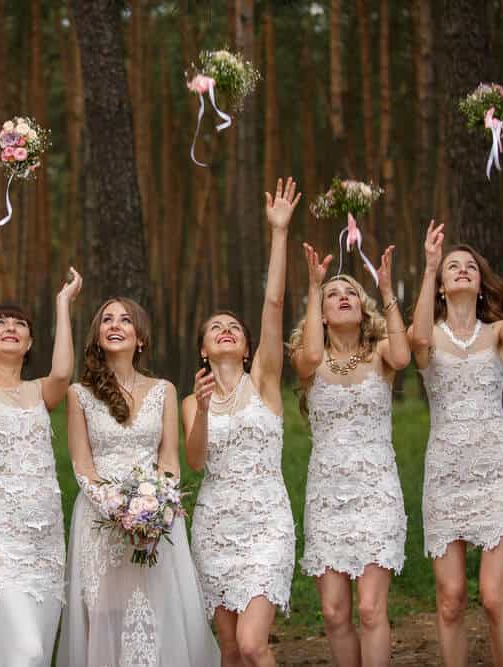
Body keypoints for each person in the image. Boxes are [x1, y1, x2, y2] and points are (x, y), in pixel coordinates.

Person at [58, 297, 220, 667]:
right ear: (97, 336)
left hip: (156, 520)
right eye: (107, 320)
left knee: (157, 616)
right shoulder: (78, 394)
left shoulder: (164, 390)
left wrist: (155, 510)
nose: (115, 325)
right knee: (103, 618)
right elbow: (83, 466)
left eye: (125, 320)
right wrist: (118, 510)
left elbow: (169, 460)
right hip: (100, 523)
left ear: (140, 337)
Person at [409, 212, 503, 667]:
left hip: (497, 471)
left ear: (480, 284)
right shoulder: (430, 337)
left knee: (493, 597)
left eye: (470, 267)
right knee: (450, 598)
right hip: (445, 476)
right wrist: (427, 266)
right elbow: (416, 339)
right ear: (443, 286)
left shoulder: (497, 334)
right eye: (452, 266)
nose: (462, 269)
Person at [184, 177, 300, 667]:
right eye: (216, 328)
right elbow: (195, 462)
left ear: (248, 347)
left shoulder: (266, 383)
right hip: (214, 526)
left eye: (234, 328)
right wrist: (204, 409)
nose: (227, 331)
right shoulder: (194, 399)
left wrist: (278, 232)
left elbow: (273, 306)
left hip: (267, 523)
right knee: (230, 649)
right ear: (204, 349)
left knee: (254, 644)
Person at [0, 240, 82, 666]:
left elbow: (63, 371)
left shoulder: (39, 392)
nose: (11, 326)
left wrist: (63, 303)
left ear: (28, 343)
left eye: (20, 324)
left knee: (36, 655)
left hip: (45, 541)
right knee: (25, 651)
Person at [288, 241, 410, 666]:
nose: (343, 297)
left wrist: (387, 287)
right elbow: (312, 354)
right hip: (327, 497)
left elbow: (404, 353)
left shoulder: (381, 356)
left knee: (371, 609)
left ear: (363, 307)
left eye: (351, 292)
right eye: (333, 295)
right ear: (320, 314)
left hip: (377, 492)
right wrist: (313, 284)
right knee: (334, 612)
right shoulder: (310, 361)